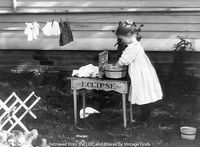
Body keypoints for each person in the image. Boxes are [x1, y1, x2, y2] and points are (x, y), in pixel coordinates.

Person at [114, 20, 163, 127]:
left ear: (128, 35)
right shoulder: (136, 45)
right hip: (145, 73)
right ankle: (143, 119)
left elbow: (123, 61)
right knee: (146, 96)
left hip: (142, 76)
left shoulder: (133, 48)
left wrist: (114, 67)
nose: (122, 41)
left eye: (122, 39)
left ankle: (143, 121)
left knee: (144, 96)